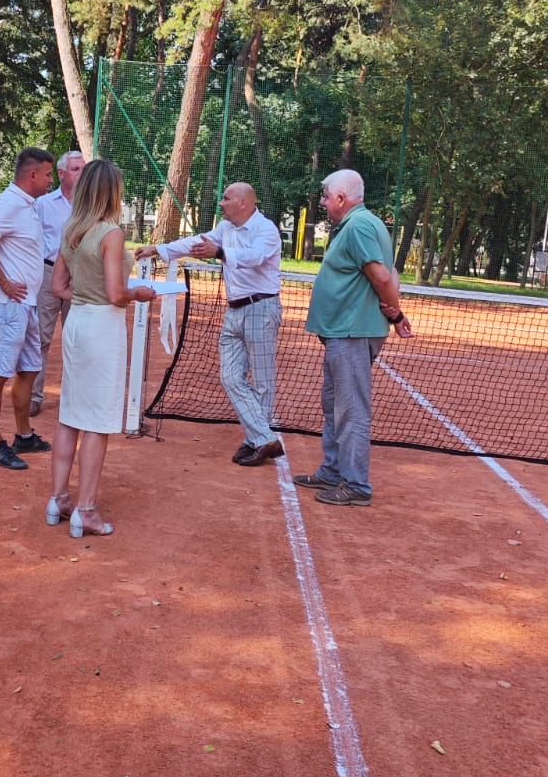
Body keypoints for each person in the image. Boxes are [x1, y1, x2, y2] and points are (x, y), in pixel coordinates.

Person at [138, 181, 284, 467]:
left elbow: (254, 258)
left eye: (226, 199)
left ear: (243, 202)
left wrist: (219, 253)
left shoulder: (266, 230)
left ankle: (256, 440)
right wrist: (158, 248)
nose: (221, 203)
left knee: (263, 382)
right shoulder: (225, 228)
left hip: (262, 307)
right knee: (230, 377)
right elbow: (195, 243)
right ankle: (263, 438)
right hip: (234, 310)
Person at [47, 159, 156, 538]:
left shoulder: (72, 229)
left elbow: (58, 286)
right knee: (96, 420)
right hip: (102, 326)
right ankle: (86, 509)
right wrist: (138, 293)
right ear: (111, 191)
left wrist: (87, 294)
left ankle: (59, 498)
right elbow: (116, 293)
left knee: (71, 413)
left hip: (77, 320)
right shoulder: (110, 233)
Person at [294, 169, 412, 506]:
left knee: (351, 411)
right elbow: (392, 273)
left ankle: (356, 485)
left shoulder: (359, 225)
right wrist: (395, 308)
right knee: (335, 407)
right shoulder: (363, 224)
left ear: (342, 199)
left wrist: (397, 311)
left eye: (326, 197)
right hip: (345, 333)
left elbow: (381, 274)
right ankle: (333, 470)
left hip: (352, 334)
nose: (323, 202)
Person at [0, 146, 56, 470]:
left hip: (27, 305)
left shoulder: (29, 205)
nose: (51, 180)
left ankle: (24, 435)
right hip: (9, 305)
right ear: (32, 175)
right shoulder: (8, 203)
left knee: (30, 369)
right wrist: (5, 282)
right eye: (48, 174)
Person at [30, 149, 85, 416]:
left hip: (80, 277)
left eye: (84, 168)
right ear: (61, 174)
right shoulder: (42, 204)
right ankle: (33, 397)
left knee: (76, 338)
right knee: (40, 337)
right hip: (48, 274)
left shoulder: (92, 205)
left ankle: (74, 398)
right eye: (76, 169)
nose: (82, 173)